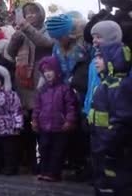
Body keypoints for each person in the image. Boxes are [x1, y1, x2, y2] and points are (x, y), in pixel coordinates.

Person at [7, 2, 54, 172]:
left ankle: (44, 160)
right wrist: (15, 37)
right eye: (27, 13)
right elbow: (9, 54)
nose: (30, 16)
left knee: (40, 123)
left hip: (40, 82)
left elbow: (45, 43)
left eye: (34, 13)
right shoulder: (22, 32)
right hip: (23, 83)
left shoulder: (47, 29)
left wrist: (26, 28)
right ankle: (29, 159)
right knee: (26, 123)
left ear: (41, 14)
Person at [88, 21, 132, 195]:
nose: (95, 41)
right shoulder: (106, 82)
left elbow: (121, 118)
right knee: (103, 180)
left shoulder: (119, 85)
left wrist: (107, 141)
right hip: (101, 142)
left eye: (98, 37)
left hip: (111, 145)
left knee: (115, 181)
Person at [45, 12, 91, 179]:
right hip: (65, 93)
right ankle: (73, 161)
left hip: (83, 91)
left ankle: (85, 163)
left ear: (69, 33)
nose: (58, 41)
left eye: (60, 37)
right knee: (68, 127)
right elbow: (55, 65)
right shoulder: (57, 46)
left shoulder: (84, 43)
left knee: (83, 128)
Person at [32, 56, 77, 182]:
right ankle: (43, 170)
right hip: (44, 126)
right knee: (44, 148)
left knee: (57, 151)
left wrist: (69, 120)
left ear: (56, 71)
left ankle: (54, 173)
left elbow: (70, 106)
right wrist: (34, 120)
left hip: (60, 127)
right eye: (45, 71)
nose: (47, 74)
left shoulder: (64, 89)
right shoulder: (42, 90)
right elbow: (37, 107)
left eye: (50, 70)